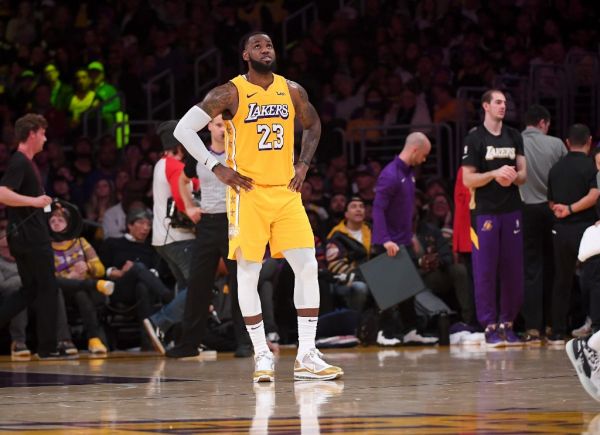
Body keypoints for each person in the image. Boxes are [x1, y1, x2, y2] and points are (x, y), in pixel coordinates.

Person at [174, 31, 343, 382]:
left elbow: (314, 126)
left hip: (285, 192)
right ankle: (261, 355)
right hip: (248, 194)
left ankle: (307, 354)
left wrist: (304, 164)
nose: (266, 49)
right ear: (245, 55)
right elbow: (183, 130)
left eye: (269, 45)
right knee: (247, 273)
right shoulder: (230, 92)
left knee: (308, 265)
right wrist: (215, 165)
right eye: (257, 46)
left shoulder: (292, 89)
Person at [165, 114, 252, 359]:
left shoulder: (239, 155)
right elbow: (183, 181)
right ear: (209, 127)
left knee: (239, 284)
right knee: (197, 284)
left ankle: (245, 342)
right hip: (207, 224)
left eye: (226, 125)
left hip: (234, 223)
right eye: (217, 125)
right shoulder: (199, 155)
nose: (222, 129)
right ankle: (189, 344)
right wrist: (190, 207)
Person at [461, 89, 527, 348]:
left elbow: (524, 174)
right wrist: (494, 174)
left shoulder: (514, 135)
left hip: (512, 210)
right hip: (485, 212)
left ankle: (507, 324)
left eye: (505, 102)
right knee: (485, 270)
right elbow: (468, 179)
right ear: (486, 106)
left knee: (513, 271)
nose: (503, 106)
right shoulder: (475, 138)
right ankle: (488, 325)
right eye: (498, 102)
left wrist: (513, 177)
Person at [0, 114, 65, 359]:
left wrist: (42, 205)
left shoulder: (26, 162)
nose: (46, 139)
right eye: (43, 133)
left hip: (24, 236)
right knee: (48, 289)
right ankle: (48, 348)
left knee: (30, 290)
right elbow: (2, 193)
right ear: (32, 134)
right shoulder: (20, 161)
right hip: (31, 238)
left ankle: (47, 346)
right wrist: (35, 201)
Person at [371, 132, 439, 346]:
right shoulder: (390, 174)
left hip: (403, 240)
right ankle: (383, 332)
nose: (425, 159)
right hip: (389, 242)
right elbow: (378, 209)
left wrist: (409, 235)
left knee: (408, 288)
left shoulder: (409, 174)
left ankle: (410, 331)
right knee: (389, 291)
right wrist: (385, 240)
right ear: (415, 150)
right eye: (424, 155)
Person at [143, 120, 197, 355]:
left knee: (185, 288)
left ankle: (184, 338)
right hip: (179, 237)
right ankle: (159, 322)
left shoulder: (161, 164)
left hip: (164, 238)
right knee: (197, 287)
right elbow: (183, 199)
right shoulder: (174, 166)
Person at [546, 124, 598, 344]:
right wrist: (571, 209)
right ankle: (595, 326)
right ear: (589, 141)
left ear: (567, 143)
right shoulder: (590, 166)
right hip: (585, 229)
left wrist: (560, 210)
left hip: (560, 230)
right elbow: (594, 194)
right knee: (593, 279)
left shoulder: (555, 168)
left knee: (562, 279)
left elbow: (550, 201)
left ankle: (558, 330)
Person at [519, 104, 566, 344]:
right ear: (543, 123)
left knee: (531, 269)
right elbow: (566, 175)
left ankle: (532, 328)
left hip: (525, 209)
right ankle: (552, 324)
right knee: (554, 267)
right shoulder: (557, 144)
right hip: (552, 209)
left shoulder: (515, 141)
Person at [49, 207, 114, 355]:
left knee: (81, 293)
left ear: (69, 224)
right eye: (52, 221)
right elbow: (48, 277)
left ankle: (94, 340)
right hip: (62, 292)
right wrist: (68, 277)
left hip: (84, 289)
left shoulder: (81, 242)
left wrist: (88, 266)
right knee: (74, 292)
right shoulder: (46, 247)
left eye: (60, 220)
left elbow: (100, 269)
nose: (56, 223)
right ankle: (82, 339)